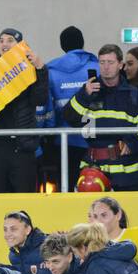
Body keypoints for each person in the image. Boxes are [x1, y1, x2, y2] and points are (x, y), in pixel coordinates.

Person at [64, 42, 138, 190]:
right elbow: (69, 117)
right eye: (102, 62)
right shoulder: (88, 92)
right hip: (93, 170)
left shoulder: (136, 96)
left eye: (110, 62)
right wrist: (84, 95)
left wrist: (134, 143)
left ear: (120, 65)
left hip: (128, 172)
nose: (106, 67)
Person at [0, 29, 47, 193]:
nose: (4, 44)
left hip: (21, 147)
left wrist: (41, 69)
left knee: (24, 201)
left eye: (10, 40)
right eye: (1, 40)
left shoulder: (32, 71)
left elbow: (40, 99)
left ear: (20, 45)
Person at [42, 25, 97, 187]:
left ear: (62, 45)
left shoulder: (51, 71)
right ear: (82, 43)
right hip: (92, 137)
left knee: (66, 186)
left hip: (63, 140)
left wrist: (48, 135)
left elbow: (48, 107)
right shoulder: (96, 66)